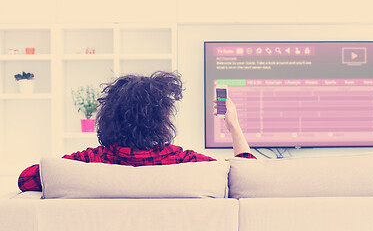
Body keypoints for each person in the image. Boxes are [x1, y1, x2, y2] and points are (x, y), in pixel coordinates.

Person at [18, 71, 255, 192]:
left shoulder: (90, 161)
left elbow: (25, 179)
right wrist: (233, 125)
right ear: (163, 119)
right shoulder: (184, 161)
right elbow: (248, 180)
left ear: (109, 117)